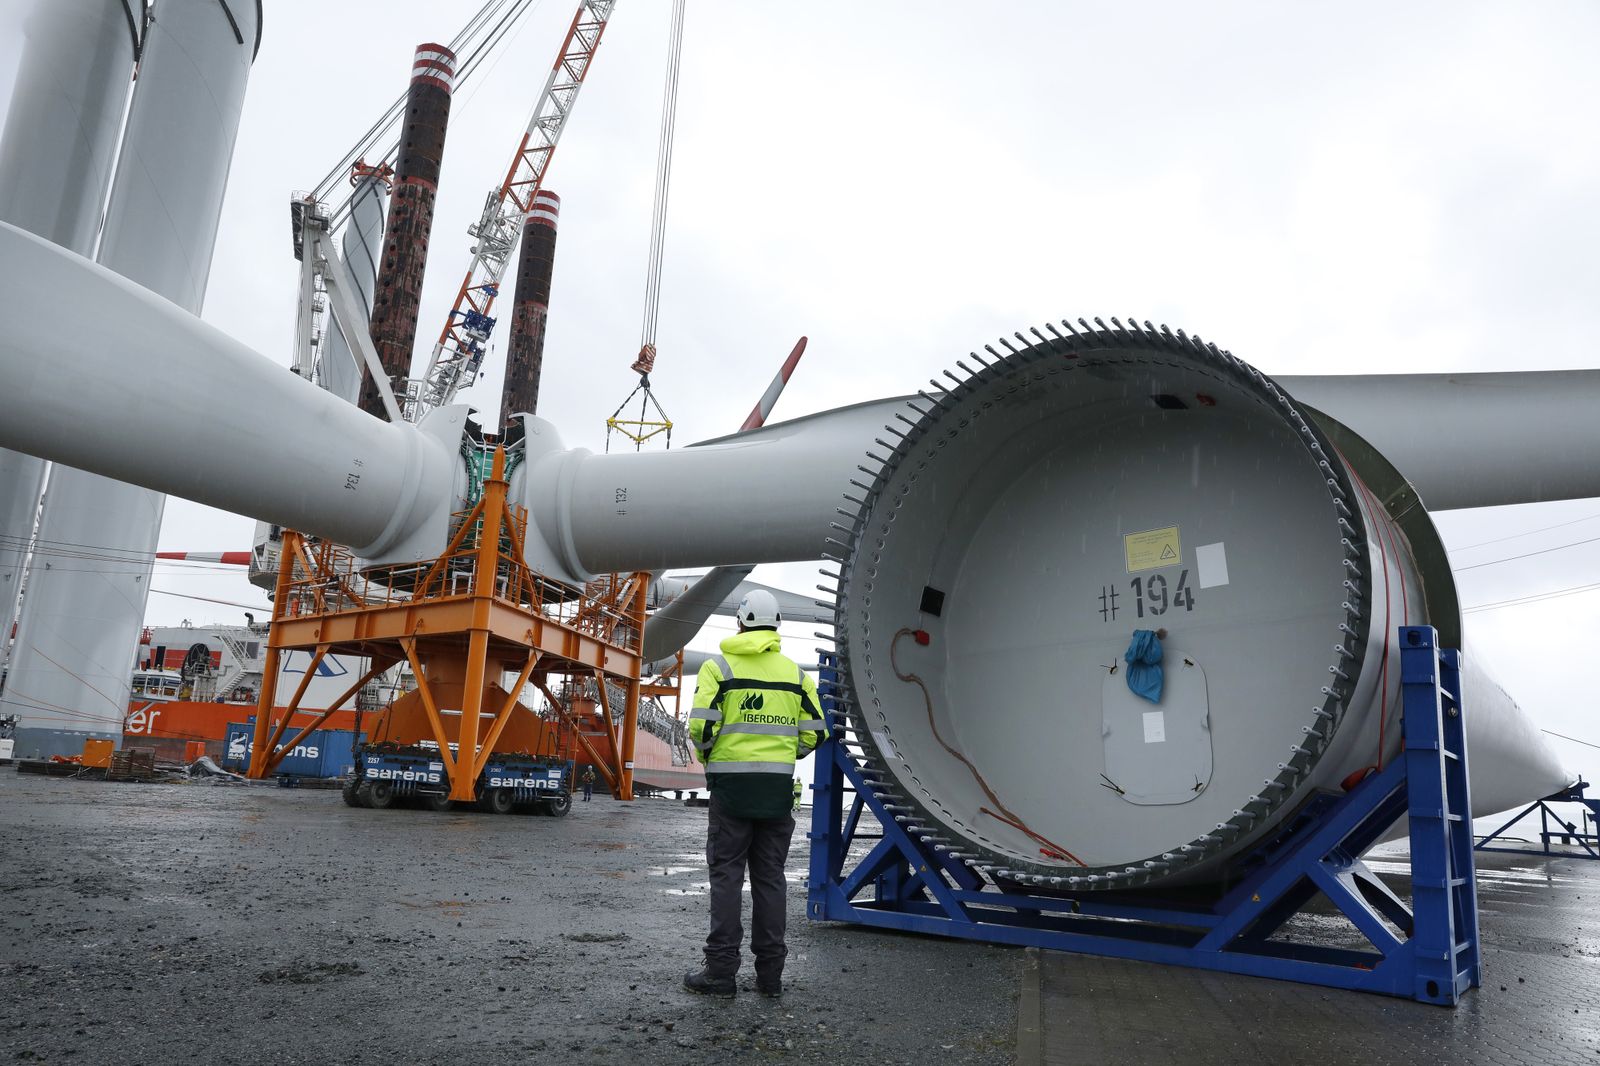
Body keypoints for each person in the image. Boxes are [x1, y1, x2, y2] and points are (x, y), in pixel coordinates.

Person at [683, 590, 825, 999]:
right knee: (770, 880)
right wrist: (783, 755)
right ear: (777, 624)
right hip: (776, 793)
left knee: (727, 877)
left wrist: (716, 759)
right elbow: (815, 731)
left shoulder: (718, 669)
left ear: (740, 621)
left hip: (730, 792)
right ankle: (770, 978)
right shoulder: (796, 676)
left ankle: (721, 972)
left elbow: (701, 729)